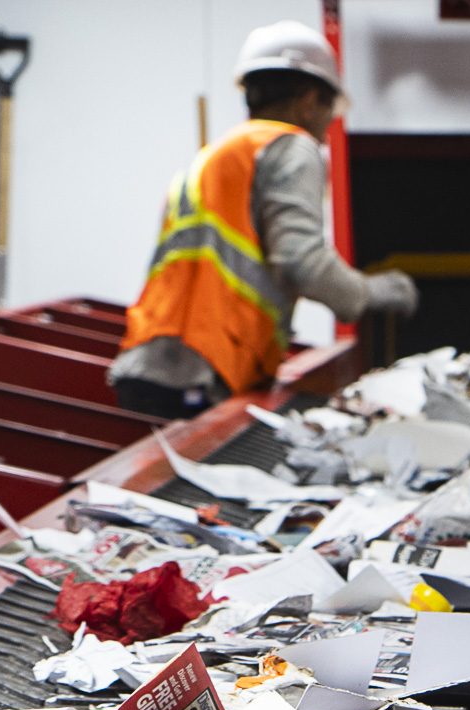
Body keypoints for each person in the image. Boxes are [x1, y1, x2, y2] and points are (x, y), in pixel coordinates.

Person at [109, 20, 417, 418]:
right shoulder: (290, 147)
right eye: (328, 113)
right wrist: (372, 293)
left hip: (154, 361)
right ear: (308, 101)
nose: (326, 132)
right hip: (204, 364)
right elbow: (300, 260)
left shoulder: (219, 155)